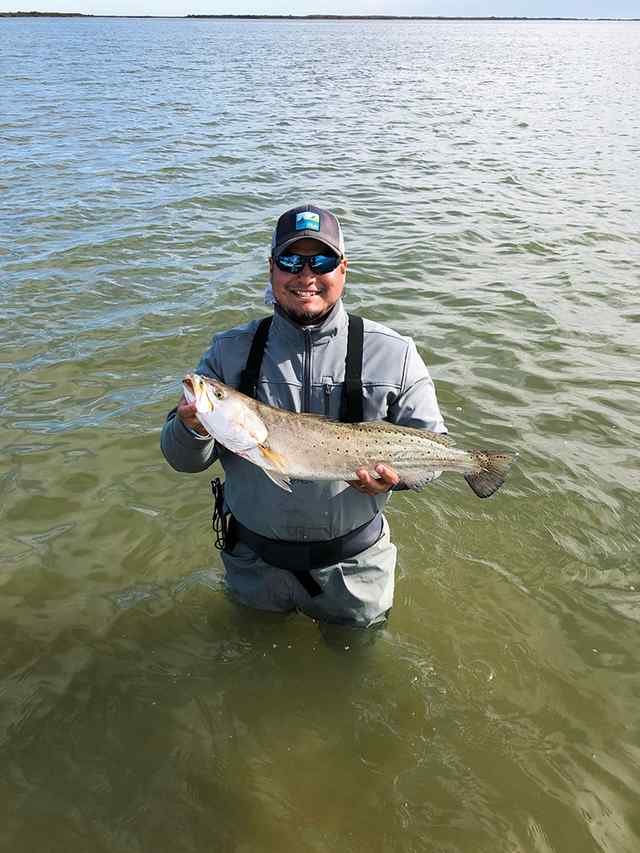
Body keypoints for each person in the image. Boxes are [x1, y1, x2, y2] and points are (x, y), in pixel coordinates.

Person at [160, 204, 446, 630]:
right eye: (291, 260)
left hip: (355, 573)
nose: (306, 275)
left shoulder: (395, 354)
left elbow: (433, 452)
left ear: (343, 269)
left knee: (356, 673)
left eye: (322, 260)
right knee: (252, 664)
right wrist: (191, 426)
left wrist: (397, 477)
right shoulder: (227, 353)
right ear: (272, 269)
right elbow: (182, 460)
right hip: (252, 566)